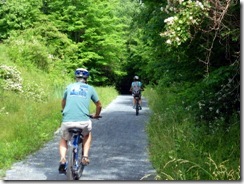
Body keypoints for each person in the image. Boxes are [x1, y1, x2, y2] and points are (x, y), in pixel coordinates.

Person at [58, 68, 102, 173]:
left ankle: (63, 159)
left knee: (64, 138)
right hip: (83, 121)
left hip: (67, 120)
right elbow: (99, 105)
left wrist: (64, 111)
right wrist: (96, 115)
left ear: (76, 77)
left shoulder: (69, 87)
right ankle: (85, 156)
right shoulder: (90, 88)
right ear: (87, 78)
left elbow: (63, 101)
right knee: (87, 134)